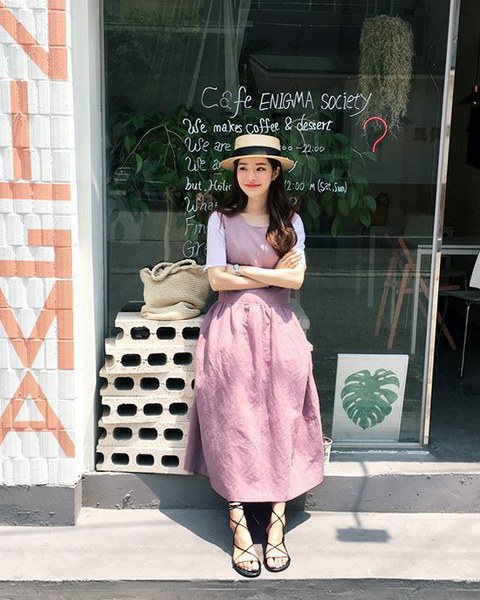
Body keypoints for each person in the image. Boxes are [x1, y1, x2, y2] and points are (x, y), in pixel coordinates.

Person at [184, 134, 324, 578]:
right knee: (233, 421)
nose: (251, 175)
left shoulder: (291, 222)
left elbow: (296, 281)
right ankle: (240, 526)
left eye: (260, 167)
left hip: (281, 329)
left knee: (283, 418)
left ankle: (276, 526)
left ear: (275, 172)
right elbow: (216, 280)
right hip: (230, 329)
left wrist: (239, 269)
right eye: (243, 168)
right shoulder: (220, 219)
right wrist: (266, 273)